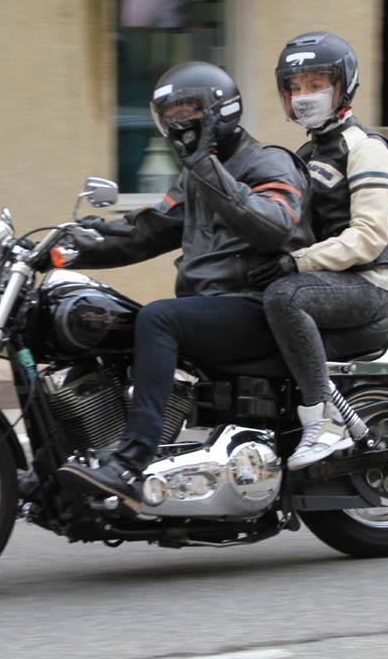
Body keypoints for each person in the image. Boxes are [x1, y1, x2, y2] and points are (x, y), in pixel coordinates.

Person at [56, 61, 311, 510]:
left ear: (221, 111)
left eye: (189, 111)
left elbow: (275, 225)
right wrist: (67, 249)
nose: (179, 123)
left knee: (159, 319)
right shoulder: (197, 173)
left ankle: (130, 464)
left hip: (258, 306)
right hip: (210, 308)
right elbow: (150, 231)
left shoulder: (268, 161)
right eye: (170, 115)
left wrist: (205, 167)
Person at [248, 32, 388, 471]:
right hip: (324, 282)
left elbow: (368, 237)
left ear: (342, 86)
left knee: (285, 297)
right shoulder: (305, 153)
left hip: (368, 284)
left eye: (315, 84)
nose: (304, 96)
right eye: (295, 87)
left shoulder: (366, 149)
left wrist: (296, 263)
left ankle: (324, 422)